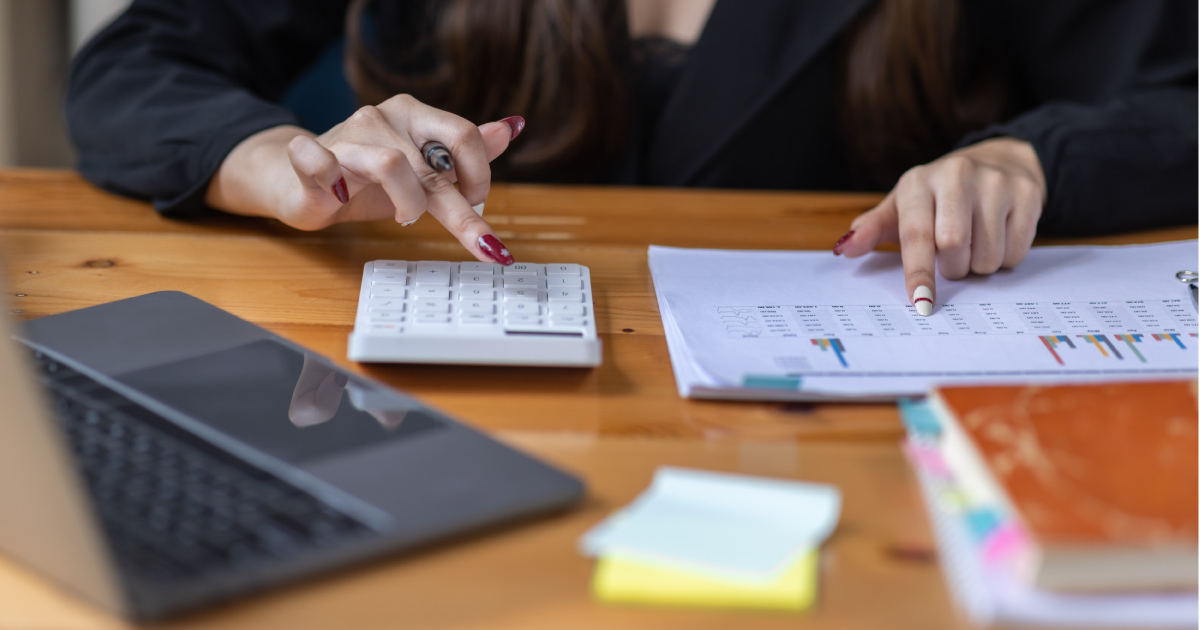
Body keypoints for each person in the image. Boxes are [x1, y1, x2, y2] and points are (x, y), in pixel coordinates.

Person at [65, 0, 1197, 313]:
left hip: (840, 428)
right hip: (452, 417)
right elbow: (136, 61)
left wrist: (1032, 158)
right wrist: (270, 155)